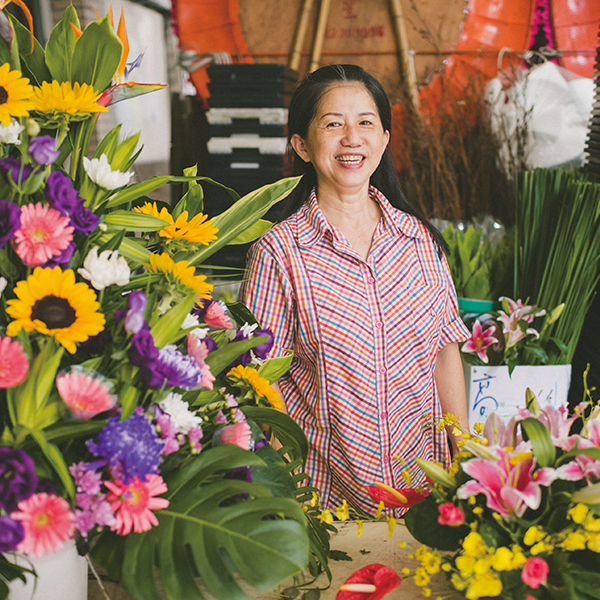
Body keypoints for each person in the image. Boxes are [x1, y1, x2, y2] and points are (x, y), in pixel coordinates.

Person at [239, 64, 470, 517]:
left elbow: (445, 353)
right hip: (326, 502)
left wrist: (464, 459)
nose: (352, 138)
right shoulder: (278, 253)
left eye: (366, 122)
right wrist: (286, 493)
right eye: (332, 124)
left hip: (428, 495)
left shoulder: (419, 241)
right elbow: (258, 380)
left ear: (384, 138)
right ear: (302, 146)